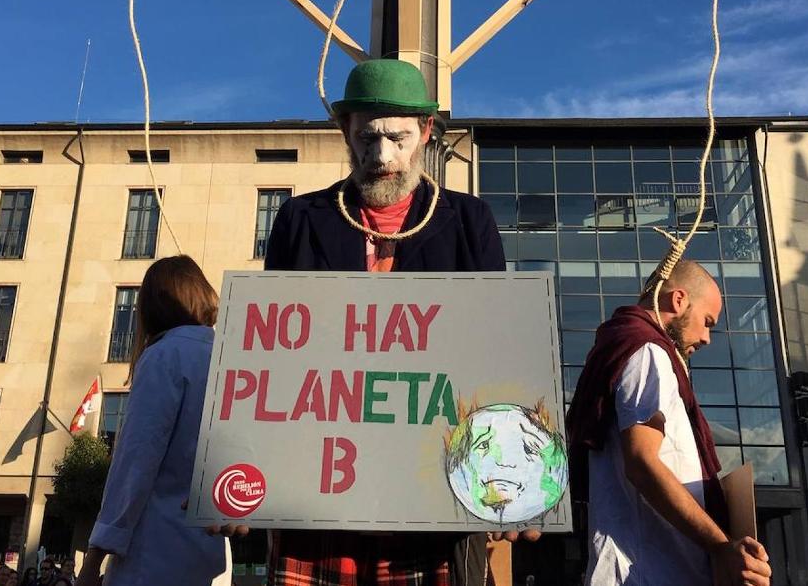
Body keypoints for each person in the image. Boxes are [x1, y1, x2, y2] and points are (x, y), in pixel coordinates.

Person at [261, 58, 507, 585]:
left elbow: (497, 356)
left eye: (397, 138)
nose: (382, 157)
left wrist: (515, 480)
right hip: (318, 494)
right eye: (366, 139)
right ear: (346, 135)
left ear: (425, 133)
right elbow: (268, 361)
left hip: (432, 499)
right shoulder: (300, 220)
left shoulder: (469, 222)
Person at [566, 259, 772, 586]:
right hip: (651, 571)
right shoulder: (648, 350)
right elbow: (642, 463)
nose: (707, 338)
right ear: (678, 300)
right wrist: (721, 547)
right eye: (707, 321)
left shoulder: (623, 347)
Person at [77, 255, 228, 586]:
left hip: (153, 550)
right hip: (209, 550)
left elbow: (136, 459)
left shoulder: (164, 355)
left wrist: (94, 557)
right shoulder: (227, 356)